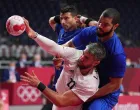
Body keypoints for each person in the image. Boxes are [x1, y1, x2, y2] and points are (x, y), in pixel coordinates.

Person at [20, 18, 106, 110]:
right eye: (83, 53)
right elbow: (55, 48)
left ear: (96, 62)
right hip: (56, 104)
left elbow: (61, 101)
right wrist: (34, 35)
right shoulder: (77, 54)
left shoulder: (90, 84)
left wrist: (38, 84)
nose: (82, 57)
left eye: (86, 58)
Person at [64, 8, 126, 110]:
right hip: (84, 84)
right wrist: (59, 55)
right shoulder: (91, 31)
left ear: (115, 26)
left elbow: (115, 84)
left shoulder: (117, 53)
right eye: (100, 22)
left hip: (105, 94)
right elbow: (70, 45)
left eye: (105, 25)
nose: (100, 26)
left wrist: (90, 96)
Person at [49, 5, 97, 91]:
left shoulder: (83, 31)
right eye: (61, 19)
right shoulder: (61, 29)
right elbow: (51, 21)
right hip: (59, 78)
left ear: (75, 18)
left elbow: (97, 26)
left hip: (75, 81)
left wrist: (82, 19)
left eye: (66, 18)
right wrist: (60, 17)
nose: (63, 22)